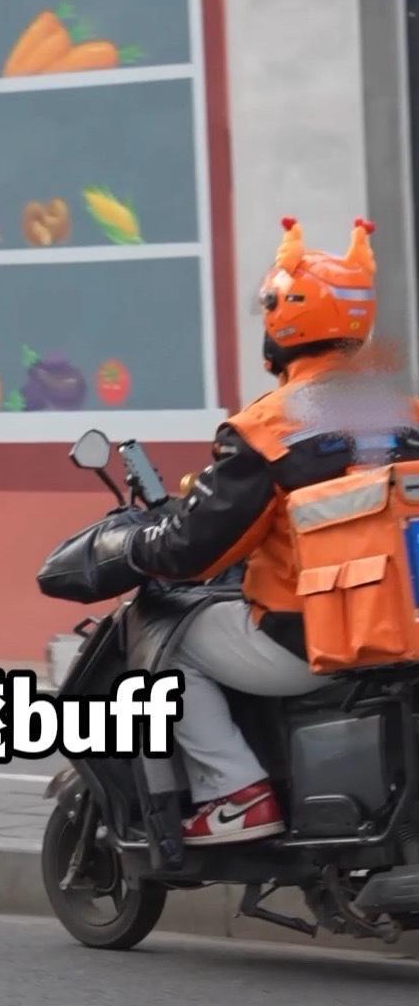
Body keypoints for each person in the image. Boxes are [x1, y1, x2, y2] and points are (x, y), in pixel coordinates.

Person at [116, 215, 419, 845]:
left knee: (163, 635)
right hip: (405, 629)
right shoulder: (404, 412)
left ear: (282, 324)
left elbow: (195, 549)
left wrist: (132, 544)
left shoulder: (268, 427)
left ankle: (235, 794)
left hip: (315, 642)